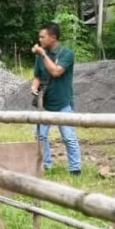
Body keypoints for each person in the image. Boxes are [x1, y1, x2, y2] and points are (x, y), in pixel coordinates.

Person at [32, 22, 82, 175]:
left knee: (68, 137)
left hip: (63, 103)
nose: (39, 39)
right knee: (40, 135)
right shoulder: (41, 55)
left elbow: (56, 72)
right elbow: (37, 76)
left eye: (42, 37)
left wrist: (43, 55)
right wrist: (34, 86)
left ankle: (75, 169)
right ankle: (46, 165)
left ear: (53, 37)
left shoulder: (66, 54)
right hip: (45, 103)